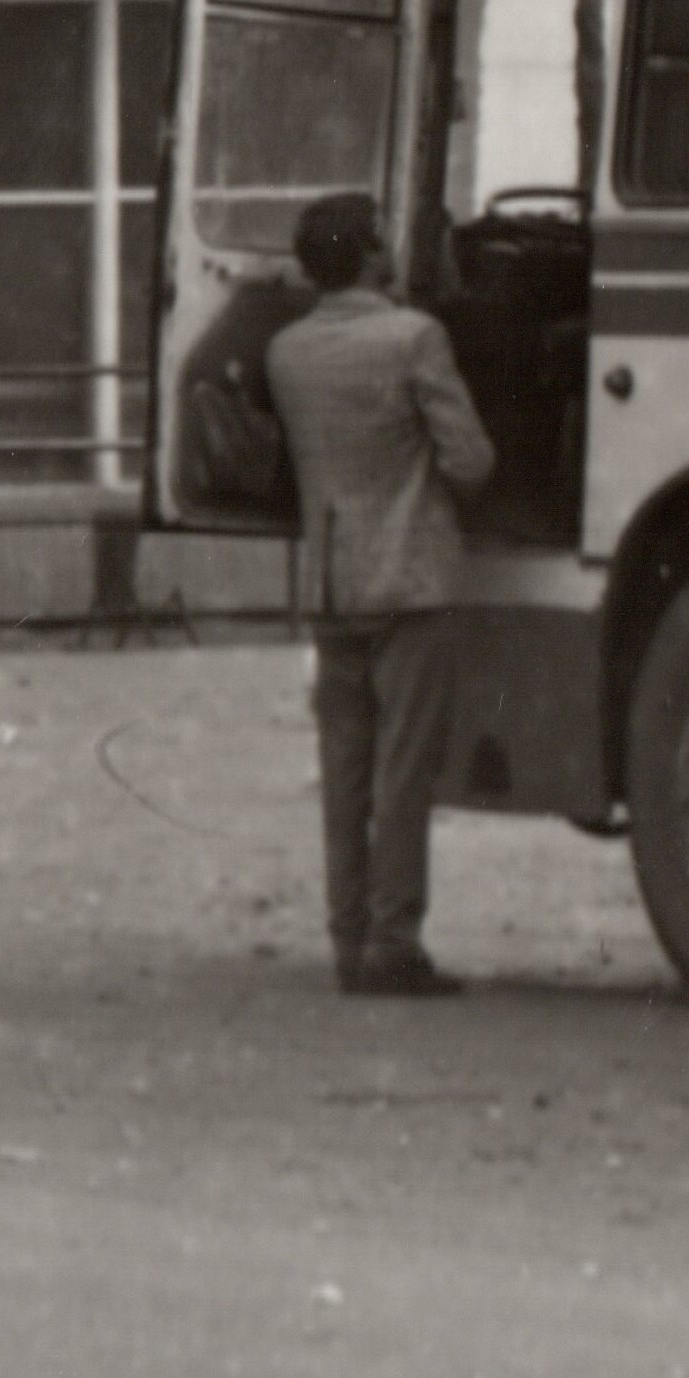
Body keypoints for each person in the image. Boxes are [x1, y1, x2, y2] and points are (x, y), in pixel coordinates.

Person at [262, 196, 495, 997]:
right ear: (368, 253)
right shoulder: (415, 339)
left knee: (345, 771)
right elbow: (470, 461)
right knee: (403, 775)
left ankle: (347, 940)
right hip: (412, 579)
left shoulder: (287, 352)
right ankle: (395, 945)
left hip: (334, 582)